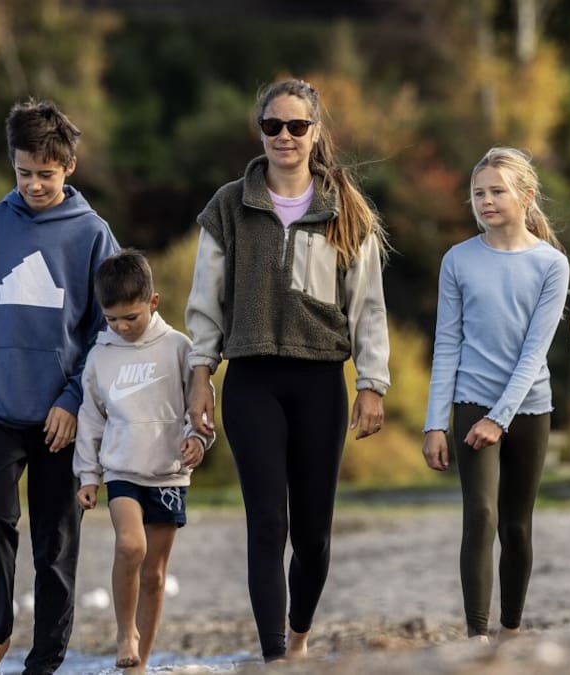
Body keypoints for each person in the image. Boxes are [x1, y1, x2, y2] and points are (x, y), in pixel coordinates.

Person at [184, 78, 391, 662]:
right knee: (267, 523)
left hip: (321, 381)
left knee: (313, 536)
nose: (284, 137)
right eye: (273, 126)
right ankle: (276, 656)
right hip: (250, 379)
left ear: (315, 133)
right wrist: (201, 372)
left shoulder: (346, 209)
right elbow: (205, 297)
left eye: (297, 126)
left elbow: (368, 306)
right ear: (260, 132)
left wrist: (372, 383)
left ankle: (299, 635)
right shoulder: (229, 205)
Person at [0, 99, 119, 675]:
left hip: (62, 416)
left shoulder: (92, 235)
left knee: (55, 545)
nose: (34, 184)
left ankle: (46, 662)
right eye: (23, 173)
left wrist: (71, 400)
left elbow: (106, 332)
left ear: (70, 168)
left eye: (46, 174)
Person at [422, 148, 570, 642]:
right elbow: (447, 343)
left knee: (516, 524)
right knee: (480, 514)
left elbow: (535, 353)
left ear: (526, 196)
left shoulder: (551, 264)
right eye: (478, 193)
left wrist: (500, 418)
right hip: (471, 403)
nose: (485, 201)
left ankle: (510, 630)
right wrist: (435, 422)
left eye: (496, 191)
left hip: (528, 408)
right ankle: (477, 636)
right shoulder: (458, 260)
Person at [72, 250, 214, 672]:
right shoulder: (100, 357)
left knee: (154, 574)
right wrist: (88, 474)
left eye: (130, 317)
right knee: (130, 545)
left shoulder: (179, 348)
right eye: (112, 319)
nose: (120, 327)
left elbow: (200, 407)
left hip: (169, 474)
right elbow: (90, 417)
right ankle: (124, 632)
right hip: (121, 471)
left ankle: (140, 663)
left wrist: (199, 441)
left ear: (154, 302)